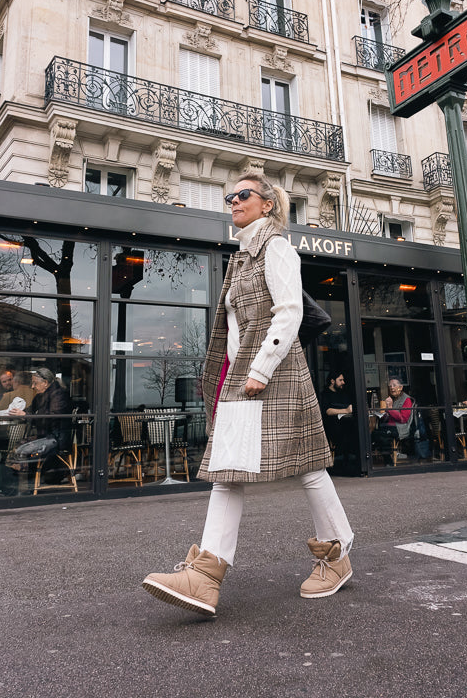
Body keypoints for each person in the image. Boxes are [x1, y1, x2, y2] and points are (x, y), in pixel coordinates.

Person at [143, 171, 354, 616]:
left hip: (271, 374)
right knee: (228, 471)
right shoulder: (242, 258)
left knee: (309, 468)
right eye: (228, 197)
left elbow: (289, 312)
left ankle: (335, 556)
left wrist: (259, 369)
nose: (233, 202)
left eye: (242, 195)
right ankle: (205, 576)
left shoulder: (276, 247)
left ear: (268, 204)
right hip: (243, 377)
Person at [6, 368, 73, 486]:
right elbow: (30, 411)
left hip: (57, 438)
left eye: (35, 383)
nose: (32, 386)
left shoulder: (59, 395)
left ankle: (26, 485)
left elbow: (53, 417)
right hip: (45, 436)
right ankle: (19, 484)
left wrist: (26, 415)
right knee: (17, 446)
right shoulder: (40, 396)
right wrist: (18, 413)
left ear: (45, 383)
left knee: (24, 450)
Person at [372, 378, 413, 466]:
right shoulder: (393, 399)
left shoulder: (406, 400)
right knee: (374, 434)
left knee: (381, 436)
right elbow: (390, 416)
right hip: (390, 426)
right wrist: (383, 414)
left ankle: (389, 461)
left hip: (400, 428)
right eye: (390, 386)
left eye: (394, 385)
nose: (391, 388)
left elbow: (403, 419)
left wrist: (390, 408)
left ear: (401, 387)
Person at [320, 371, 356, 473]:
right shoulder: (325, 394)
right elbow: (327, 411)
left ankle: (351, 460)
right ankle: (341, 462)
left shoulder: (343, 393)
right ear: (332, 381)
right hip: (332, 426)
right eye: (340, 380)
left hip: (347, 423)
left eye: (343, 380)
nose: (343, 382)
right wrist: (345, 411)